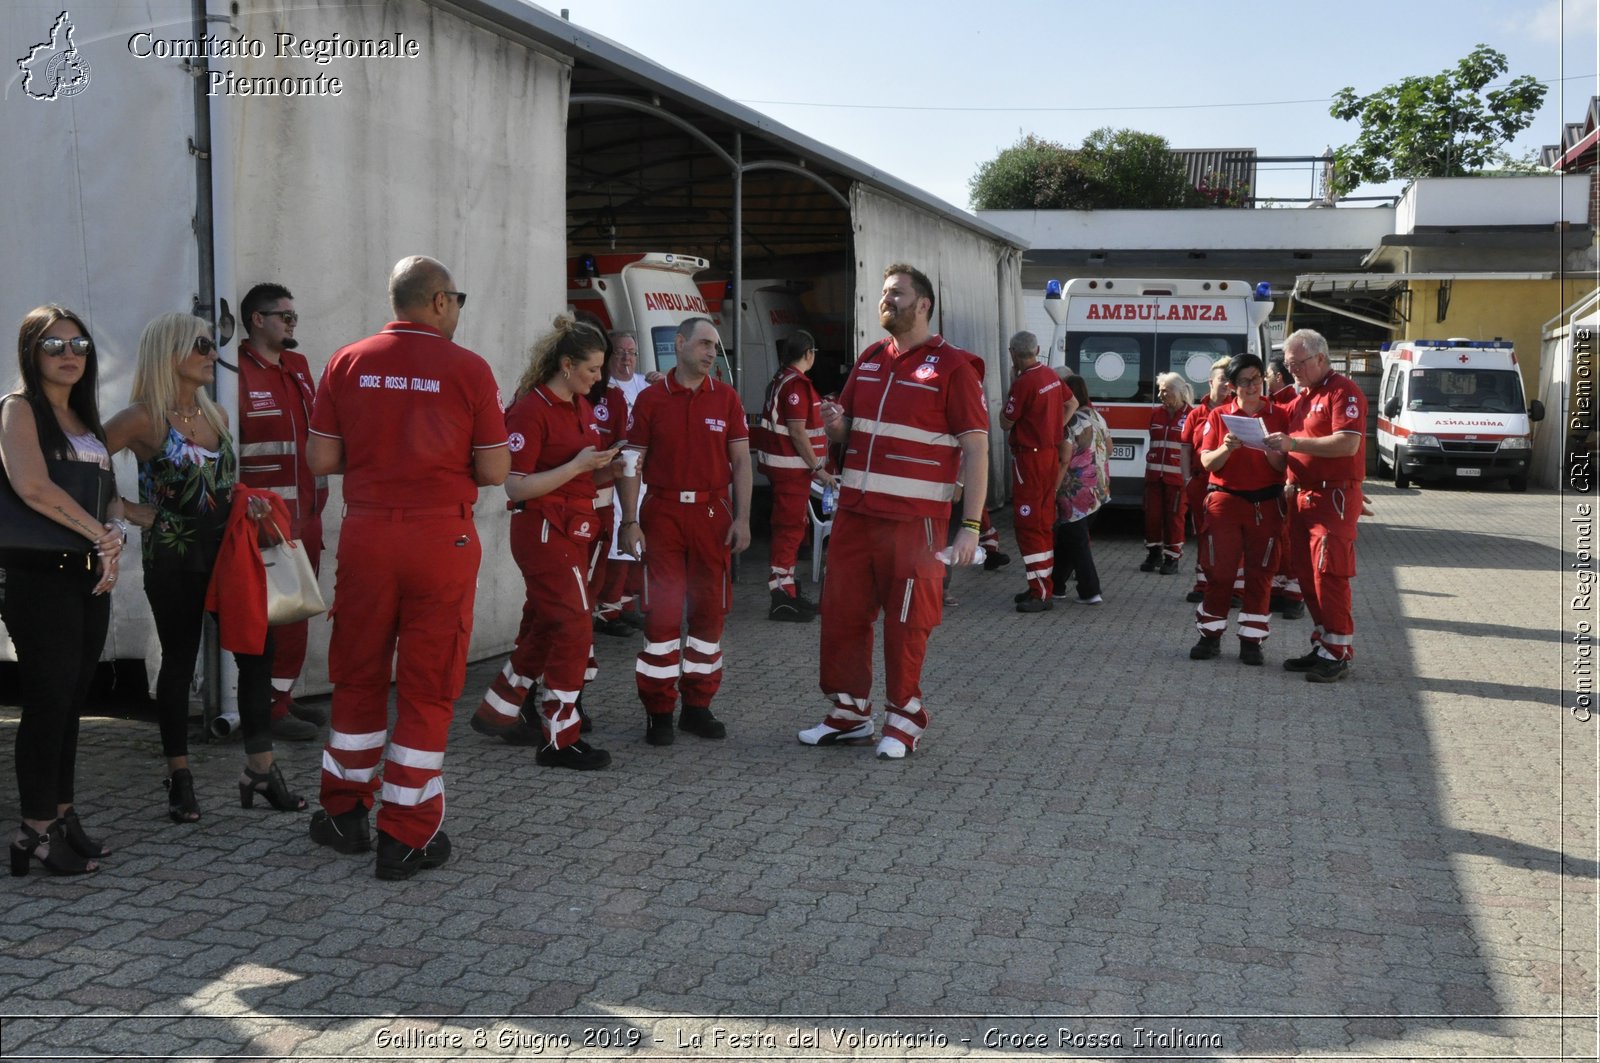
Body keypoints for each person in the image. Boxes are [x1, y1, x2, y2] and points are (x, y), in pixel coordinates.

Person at [305, 256, 509, 879]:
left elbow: (321, 458)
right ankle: (406, 834)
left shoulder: (346, 360)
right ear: (441, 301)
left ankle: (344, 814)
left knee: (359, 674)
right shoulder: (469, 369)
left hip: (368, 532)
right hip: (439, 538)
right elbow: (496, 470)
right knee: (427, 684)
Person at [105, 313, 305, 825]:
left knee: (259, 652)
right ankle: (179, 776)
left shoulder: (215, 413)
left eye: (212, 343)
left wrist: (250, 504)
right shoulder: (141, 418)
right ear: (168, 351)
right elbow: (80, 463)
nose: (211, 353)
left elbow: (222, 485)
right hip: (174, 559)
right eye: (200, 344)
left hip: (229, 555)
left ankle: (261, 771)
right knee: (179, 661)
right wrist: (127, 510)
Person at [798, 263, 989, 760]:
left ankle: (906, 717)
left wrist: (969, 527)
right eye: (883, 293)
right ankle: (849, 713)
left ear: (923, 304)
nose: (886, 301)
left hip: (914, 522)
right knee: (841, 615)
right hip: (857, 516)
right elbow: (848, 433)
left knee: (907, 621)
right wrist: (837, 424)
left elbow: (976, 450)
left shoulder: (954, 367)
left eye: (897, 294)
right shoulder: (870, 358)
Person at [2, 306, 125, 875]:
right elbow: (31, 486)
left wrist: (116, 532)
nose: (69, 355)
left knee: (74, 699)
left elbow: (110, 496)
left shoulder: (83, 416)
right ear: (31, 351)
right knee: (48, 699)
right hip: (37, 574)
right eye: (54, 346)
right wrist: (100, 535)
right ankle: (33, 827)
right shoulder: (18, 409)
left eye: (78, 345)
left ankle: (63, 814)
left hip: (85, 573)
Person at [470, 316, 618, 770]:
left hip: (574, 528)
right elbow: (514, 487)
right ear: (567, 364)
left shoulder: (580, 405)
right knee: (574, 626)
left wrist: (614, 464)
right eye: (592, 370)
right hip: (541, 531)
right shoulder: (530, 410)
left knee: (543, 625)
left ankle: (499, 708)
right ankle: (560, 738)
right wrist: (578, 467)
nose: (598, 379)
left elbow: (581, 470)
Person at [615, 317, 751, 746]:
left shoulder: (726, 399)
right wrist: (630, 521)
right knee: (663, 616)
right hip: (664, 515)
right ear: (679, 345)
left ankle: (698, 707)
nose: (711, 353)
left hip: (713, 516)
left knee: (710, 614)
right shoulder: (652, 400)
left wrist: (744, 517)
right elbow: (631, 463)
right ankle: (658, 712)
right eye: (704, 344)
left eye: (716, 346)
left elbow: (742, 462)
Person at [235, 282, 324, 741]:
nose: (292, 323)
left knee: (299, 612)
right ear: (257, 320)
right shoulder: (235, 373)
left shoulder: (299, 367)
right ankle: (265, 708)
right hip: (263, 523)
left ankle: (282, 700)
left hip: (307, 519)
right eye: (284, 316)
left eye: (294, 316)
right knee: (271, 618)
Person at [1264, 328, 1366, 683]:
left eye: (1298, 363)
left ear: (1321, 358)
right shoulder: (1302, 397)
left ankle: (1338, 651)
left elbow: (1346, 444)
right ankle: (1325, 643)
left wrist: (1293, 444)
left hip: (1331, 498)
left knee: (1329, 574)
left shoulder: (1343, 391)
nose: (1292, 370)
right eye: (1288, 364)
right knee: (1307, 576)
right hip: (1302, 496)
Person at [1188, 354, 1288, 665]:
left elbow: (1283, 466)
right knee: (1220, 572)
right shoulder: (1218, 416)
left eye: (1257, 379)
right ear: (1232, 386)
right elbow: (1206, 462)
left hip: (1266, 503)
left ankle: (1251, 641)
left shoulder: (1281, 415)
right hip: (1226, 502)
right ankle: (1210, 635)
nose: (1252, 386)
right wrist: (1226, 448)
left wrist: (1270, 447)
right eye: (1244, 381)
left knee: (1261, 574)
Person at [753, 329, 835, 621]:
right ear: (809, 353)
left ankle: (787, 590)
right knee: (789, 530)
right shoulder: (796, 385)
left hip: (786, 470)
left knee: (792, 527)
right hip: (791, 469)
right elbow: (798, 433)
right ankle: (780, 596)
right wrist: (819, 470)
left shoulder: (783, 379)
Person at [998, 330, 1066, 613]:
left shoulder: (1024, 382)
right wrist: (1054, 427)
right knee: (1043, 521)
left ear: (1013, 353)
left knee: (1029, 525)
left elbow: (1005, 422)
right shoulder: (1051, 375)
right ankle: (1041, 584)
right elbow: (1071, 402)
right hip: (1049, 454)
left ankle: (1040, 592)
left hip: (1030, 459)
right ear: (1037, 349)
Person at [594, 330, 649, 635]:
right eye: (620, 353)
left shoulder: (644, 385)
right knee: (616, 541)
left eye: (632, 353)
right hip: (614, 475)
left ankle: (625, 604)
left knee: (636, 540)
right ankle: (607, 609)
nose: (627, 358)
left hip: (641, 476)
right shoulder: (603, 390)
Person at [1052, 372, 1109, 606]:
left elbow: (1064, 459)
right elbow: (1111, 448)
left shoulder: (1070, 421)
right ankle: (1056, 585)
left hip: (1075, 492)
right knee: (1069, 539)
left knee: (1077, 542)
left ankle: (1090, 590)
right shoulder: (1096, 416)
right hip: (1099, 489)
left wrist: (1051, 491)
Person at [1182, 358, 1233, 603]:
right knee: (1203, 534)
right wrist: (1186, 479)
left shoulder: (1236, 410)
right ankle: (1203, 584)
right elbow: (1184, 448)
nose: (1227, 385)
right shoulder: (1196, 414)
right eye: (1222, 379)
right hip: (1200, 482)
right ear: (1210, 381)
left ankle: (1233, 589)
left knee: (1230, 538)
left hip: (1227, 484)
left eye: (1229, 380)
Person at [1265, 354, 1305, 620]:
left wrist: (1291, 479)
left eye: (1267, 375)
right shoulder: (1275, 403)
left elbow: (1297, 445)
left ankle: (1294, 595)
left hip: (1288, 481)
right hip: (1274, 480)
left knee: (1289, 538)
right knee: (1278, 537)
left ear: (1278, 377)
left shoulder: (1294, 403)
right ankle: (1279, 590)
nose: (1265, 380)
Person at [1142, 372, 1191, 575]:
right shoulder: (1156, 414)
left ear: (1178, 392)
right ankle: (1154, 553)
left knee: (1174, 518)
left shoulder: (1191, 416)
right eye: (1160, 390)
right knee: (1152, 516)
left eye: (1166, 391)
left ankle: (1172, 557)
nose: (1161, 395)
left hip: (1177, 479)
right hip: (1154, 477)